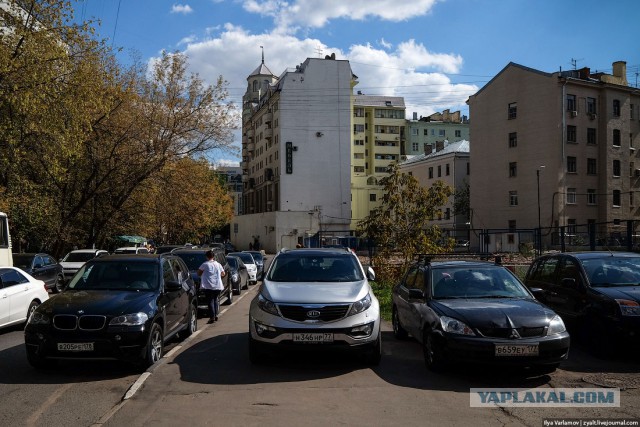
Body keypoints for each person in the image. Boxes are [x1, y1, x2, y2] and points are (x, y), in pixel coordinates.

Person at [197, 250, 226, 324]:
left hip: (208, 285)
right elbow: (223, 274)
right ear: (213, 256)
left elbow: (198, 273)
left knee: (210, 301)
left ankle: (212, 317)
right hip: (217, 285)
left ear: (207, 257)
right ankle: (216, 315)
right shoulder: (218, 264)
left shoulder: (205, 264)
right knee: (215, 300)